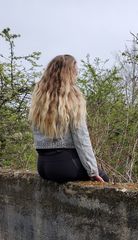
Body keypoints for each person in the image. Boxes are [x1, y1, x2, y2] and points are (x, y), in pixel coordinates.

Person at [28, 54, 109, 183]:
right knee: (104, 180)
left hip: (43, 166)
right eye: (75, 71)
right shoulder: (73, 95)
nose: (77, 74)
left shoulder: (40, 96)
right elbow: (81, 138)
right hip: (64, 166)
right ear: (69, 73)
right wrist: (93, 171)